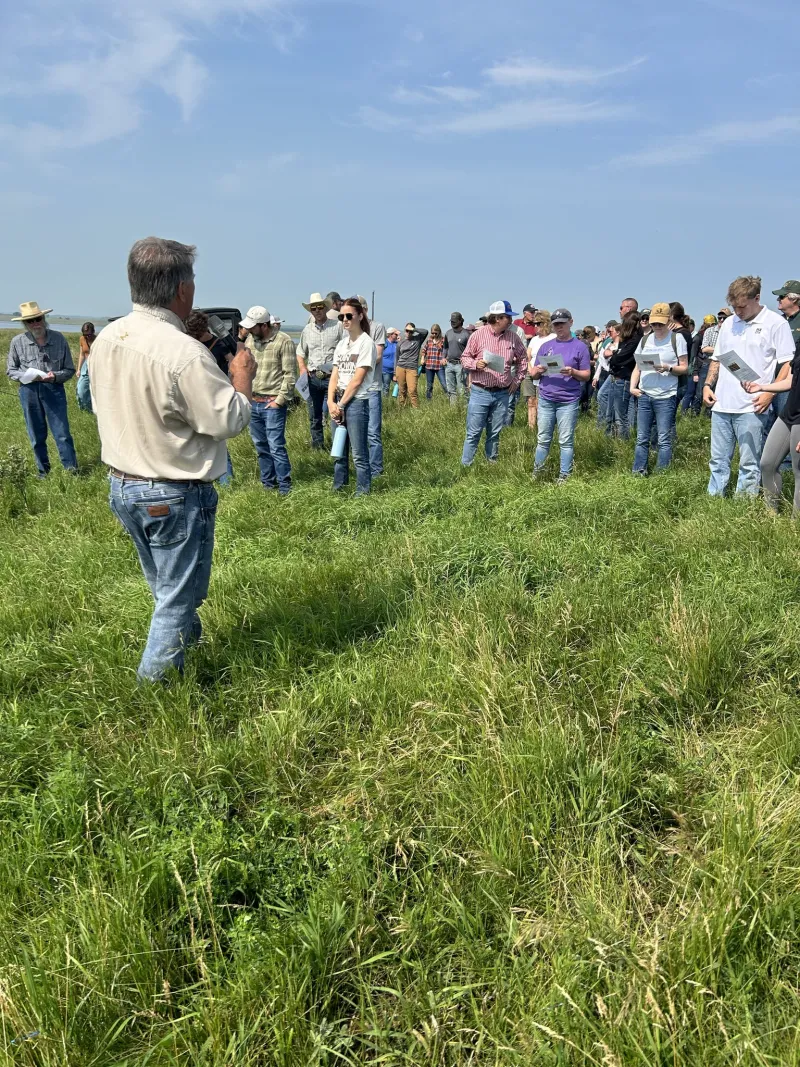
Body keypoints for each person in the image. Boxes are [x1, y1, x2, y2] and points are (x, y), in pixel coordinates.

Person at [89, 237, 255, 682]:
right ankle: (155, 694)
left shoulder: (108, 337)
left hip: (124, 484)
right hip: (172, 492)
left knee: (166, 586)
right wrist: (241, 379)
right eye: (193, 281)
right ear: (183, 289)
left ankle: (186, 652)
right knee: (177, 599)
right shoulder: (183, 353)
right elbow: (228, 420)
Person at [703, 275, 794, 496]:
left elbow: (787, 363)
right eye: (734, 307)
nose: (738, 311)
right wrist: (708, 385)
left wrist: (769, 394)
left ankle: (743, 506)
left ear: (757, 298)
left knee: (749, 463)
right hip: (723, 403)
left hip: (752, 405)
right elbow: (718, 357)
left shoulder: (776, 323)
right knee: (717, 460)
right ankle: (715, 500)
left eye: (742, 306)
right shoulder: (728, 324)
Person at [6, 301, 78, 477]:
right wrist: (25, 376)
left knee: (62, 434)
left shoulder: (59, 339)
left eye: (38, 318)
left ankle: (72, 472)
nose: (35, 323)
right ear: (25, 323)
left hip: (53, 389)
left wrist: (55, 376)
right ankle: (43, 472)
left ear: (44, 318)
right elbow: (11, 370)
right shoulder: (17, 342)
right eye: (30, 321)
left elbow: (69, 369)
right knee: (36, 436)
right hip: (29, 392)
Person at [459, 300, 527, 467]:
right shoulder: (478, 335)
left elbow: (523, 359)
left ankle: (491, 465)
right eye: (507, 317)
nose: (510, 320)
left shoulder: (513, 337)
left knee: (495, 432)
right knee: (474, 432)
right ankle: (466, 466)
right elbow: (465, 358)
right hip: (480, 391)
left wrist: (517, 381)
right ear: (497, 318)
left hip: (502, 393)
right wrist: (476, 364)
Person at [528, 309, 590, 482]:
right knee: (543, 438)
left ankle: (564, 476)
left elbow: (586, 375)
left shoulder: (580, 347)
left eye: (562, 323)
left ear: (571, 322)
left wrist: (573, 372)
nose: (559, 327)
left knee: (565, 440)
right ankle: (538, 472)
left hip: (568, 400)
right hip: (547, 398)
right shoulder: (546, 346)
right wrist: (538, 370)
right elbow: (533, 374)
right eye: (556, 324)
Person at [241, 305, 297, 496]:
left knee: (275, 446)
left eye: (253, 326)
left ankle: (284, 487)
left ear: (264, 325)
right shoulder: (250, 340)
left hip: (272, 401)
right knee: (261, 446)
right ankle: (268, 485)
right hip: (254, 401)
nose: (249, 330)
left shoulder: (284, 341)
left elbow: (290, 375)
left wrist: (279, 401)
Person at [629, 303, 688, 474]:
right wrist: (633, 387)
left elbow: (684, 367)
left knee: (664, 439)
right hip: (645, 394)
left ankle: (662, 474)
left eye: (660, 324)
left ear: (669, 320)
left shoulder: (677, 340)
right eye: (654, 324)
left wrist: (668, 367)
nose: (657, 327)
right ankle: (639, 472)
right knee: (641, 438)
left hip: (666, 395)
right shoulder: (645, 339)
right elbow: (637, 367)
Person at [747, 326, 800, 512]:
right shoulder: (799, 343)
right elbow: (791, 381)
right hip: (788, 413)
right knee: (767, 463)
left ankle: (794, 527)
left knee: (798, 471)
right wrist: (762, 387)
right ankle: (772, 517)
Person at [329, 297, 378, 495]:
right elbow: (335, 374)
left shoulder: (366, 343)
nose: (345, 319)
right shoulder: (342, 344)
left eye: (349, 315)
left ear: (359, 315)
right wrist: (330, 401)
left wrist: (340, 404)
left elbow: (357, 380)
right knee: (339, 450)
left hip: (356, 402)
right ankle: (339, 488)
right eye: (342, 316)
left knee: (358, 453)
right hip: (339, 400)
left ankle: (362, 493)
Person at [184, 309, 239, 485]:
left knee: (217, 439)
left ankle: (226, 480)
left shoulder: (218, 344)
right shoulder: (193, 344)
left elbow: (232, 363)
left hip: (214, 394)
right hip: (197, 395)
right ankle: (207, 477)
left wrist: (230, 383)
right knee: (199, 438)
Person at [297, 292, 343, 449]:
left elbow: (346, 348)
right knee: (314, 414)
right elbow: (300, 352)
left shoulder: (337, 326)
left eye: (319, 307)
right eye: (313, 308)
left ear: (325, 308)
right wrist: (302, 368)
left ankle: (338, 447)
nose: (317, 311)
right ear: (311, 311)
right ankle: (318, 447)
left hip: (333, 377)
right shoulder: (307, 330)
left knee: (335, 413)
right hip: (313, 377)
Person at [358, 295, 387, 478]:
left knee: (373, 432)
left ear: (365, 310)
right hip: (353, 389)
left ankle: (376, 471)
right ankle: (361, 468)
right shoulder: (349, 330)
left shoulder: (377, 327)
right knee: (355, 432)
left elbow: (377, 356)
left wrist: (357, 363)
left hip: (372, 387)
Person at [606, 312, 641, 439]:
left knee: (621, 416)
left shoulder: (635, 339)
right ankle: (615, 439)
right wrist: (615, 356)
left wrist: (614, 356)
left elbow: (620, 358)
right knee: (614, 413)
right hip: (616, 377)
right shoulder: (626, 339)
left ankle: (623, 443)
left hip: (624, 378)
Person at [523, 310, 555, 430]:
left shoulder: (553, 338)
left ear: (546, 323)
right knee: (530, 401)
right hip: (530, 372)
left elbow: (554, 358)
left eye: (538, 323)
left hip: (545, 374)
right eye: (534, 324)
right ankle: (531, 427)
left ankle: (543, 427)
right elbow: (528, 356)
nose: (535, 326)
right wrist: (531, 370)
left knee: (541, 402)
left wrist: (539, 370)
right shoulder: (534, 339)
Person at [593, 320, 618, 428]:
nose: (608, 331)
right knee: (602, 397)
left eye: (610, 329)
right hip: (603, 372)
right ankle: (603, 423)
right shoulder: (607, 341)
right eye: (607, 329)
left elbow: (606, 356)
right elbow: (601, 360)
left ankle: (607, 424)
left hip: (612, 372)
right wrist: (596, 376)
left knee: (605, 397)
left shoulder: (618, 342)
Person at [443, 312, 470, 404]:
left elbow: (470, 350)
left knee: (462, 389)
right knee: (451, 390)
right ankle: (453, 410)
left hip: (461, 365)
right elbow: (445, 347)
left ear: (460, 321)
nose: (452, 323)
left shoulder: (466, 334)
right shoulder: (448, 333)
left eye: (454, 321)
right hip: (449, 364)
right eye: (451, 321)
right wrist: (443, 357)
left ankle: (464, 409)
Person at [395, 322, 423, 407]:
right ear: (404, 331)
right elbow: (397, 357)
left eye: (410, 331)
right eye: (407, 331)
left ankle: (416, 410)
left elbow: (425, 332)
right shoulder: (401, 342)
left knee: (412, 390)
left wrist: (413, 329)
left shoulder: (417, 339)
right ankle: (401, 409)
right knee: (402, 390)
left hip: (412, 368)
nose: (408, 333)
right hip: (400, 367)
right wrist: (394, 372)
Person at [420, 324, 447, 399]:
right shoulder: (429, 340)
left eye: (436, 333)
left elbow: (446, 351)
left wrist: (445, 359)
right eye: (432, 333)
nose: (434, 334)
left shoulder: (443, 340)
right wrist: (422, 358)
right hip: (429, 366)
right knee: (429, 386)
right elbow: (424, 350)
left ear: (439, 332)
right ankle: (429, 401)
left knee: (444, 384)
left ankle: (450, 399)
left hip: (439, 366)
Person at [383, 328, 399, 394]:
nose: (397, 335)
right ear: (390, 335)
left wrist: (400, 341)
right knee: (386, 387)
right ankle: (385, 402)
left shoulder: (397, 344)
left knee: (399, 386)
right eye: (396, 334)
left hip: (396, 370)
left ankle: (398, 401)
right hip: (386, 370)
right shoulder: (384, 343)